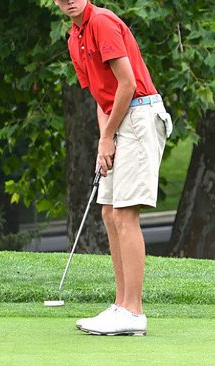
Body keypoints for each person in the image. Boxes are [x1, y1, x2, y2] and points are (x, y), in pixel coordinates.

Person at [54, 0, 172, 336]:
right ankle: (121, 306)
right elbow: (101, 97)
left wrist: (109, 136)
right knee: (108, 212)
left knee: (124, 214)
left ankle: (134, 312)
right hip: (118, 118)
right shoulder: (74, 37)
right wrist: (104, 141)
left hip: (139, 115)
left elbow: (128, 84)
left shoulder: (102, 22)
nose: (68, 0)